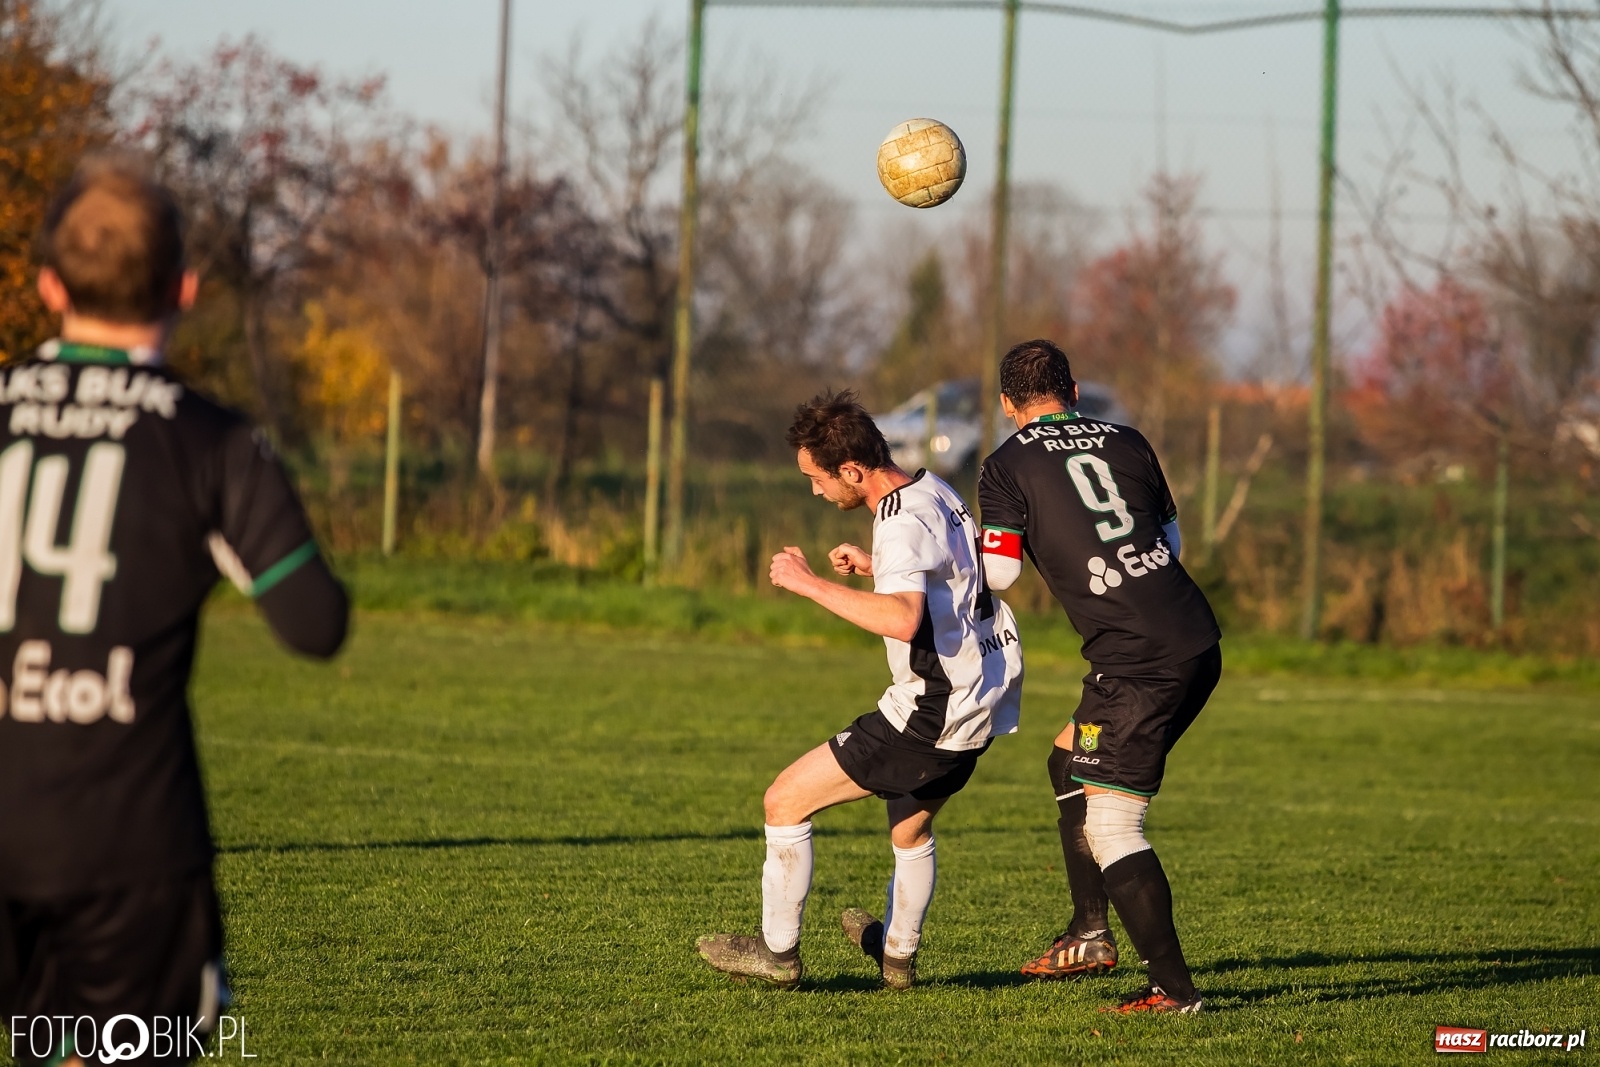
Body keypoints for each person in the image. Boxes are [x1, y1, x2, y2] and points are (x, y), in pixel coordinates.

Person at [0, 156, 348, 1066]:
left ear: (45, 287)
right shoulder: (209, 440)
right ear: (184, 289)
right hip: (128, 844)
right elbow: (316, 623)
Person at [696, 390, 1022, 991]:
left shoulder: (897, 519)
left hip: (930, 710)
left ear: (851, 470)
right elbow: (955, 571)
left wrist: (809, 584)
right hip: (983, 697)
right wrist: (878, 566)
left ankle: (778, 956)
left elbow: (902, 619)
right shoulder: (932, 488)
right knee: (910, 831)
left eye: (816, 479)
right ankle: (897, 959)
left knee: (784, 801)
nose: (815, 492)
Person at [978, 339, 1221, 1015]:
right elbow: (1171, 546)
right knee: (1067, 762)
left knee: (1113, 822)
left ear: (1007, 405)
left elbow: (999, 574)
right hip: (1194, 636)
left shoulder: (1006, 464)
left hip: (1139, 662)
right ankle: (1088, 930)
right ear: (1074, 389)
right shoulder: (1129, 439)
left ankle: (1175, 992)